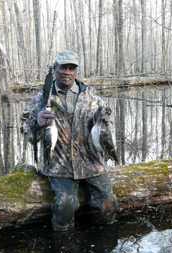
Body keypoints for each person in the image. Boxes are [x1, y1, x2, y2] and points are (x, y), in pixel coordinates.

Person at [20, 50, 118, 231]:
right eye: (63, 67)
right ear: (55, 69)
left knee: (109, 203)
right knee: (65, 205)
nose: (67, 72)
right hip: (59, 164)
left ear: (76, 71)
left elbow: (107, 128)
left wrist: (105, 118)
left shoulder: (91, 96)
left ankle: (101, 243)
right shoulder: (42, 98)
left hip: (92, 162)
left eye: (71, 68)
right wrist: (38, 122)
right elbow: (27, 134)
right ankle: (62, 247)